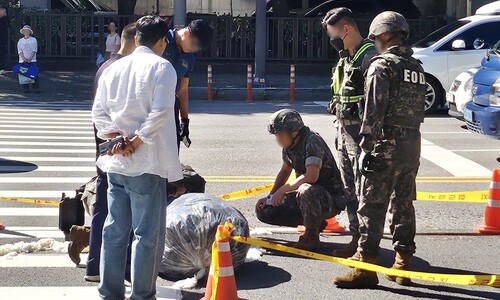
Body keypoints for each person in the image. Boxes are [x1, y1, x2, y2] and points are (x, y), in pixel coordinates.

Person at [92, 15, 182, 299]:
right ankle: (142, 295)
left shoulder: (114, 68)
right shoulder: (163, 67)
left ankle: (110, 292)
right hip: (148, 162)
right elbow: (162, 112)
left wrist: (117, 140)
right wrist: (137, 140)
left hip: (117, 161)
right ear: (161, 41)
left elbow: (98, 113)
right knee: (146, 236)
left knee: (114, 231)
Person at [333, 11, 426, 288]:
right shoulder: (417, 68)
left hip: (385, 145)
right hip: (412, 144)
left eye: (375, 38)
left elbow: (373, 112)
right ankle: (402, 263)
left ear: (385, 35)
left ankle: (366, 266)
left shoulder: (381, 66)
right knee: (403, 204)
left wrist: (366, 147)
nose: (374, 42)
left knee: (371, 206)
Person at [67, 22, 137, 283]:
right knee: (119, 211)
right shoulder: (120, 68)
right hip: (116, 148)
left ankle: (95, 265)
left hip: (105, 146)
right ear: (136, 41)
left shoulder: (105, 66)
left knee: (103, 207)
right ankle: (113, 269)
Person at [322, 7, 378, 257]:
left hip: (361, 134)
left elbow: (377, 102)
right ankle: (356, 238)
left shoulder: (369, 57)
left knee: (364, 188)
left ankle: (366, 244)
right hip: (344, 132)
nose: (330, 40)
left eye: (332, 33)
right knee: (349, 188)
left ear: (345, 29)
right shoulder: (346, 58)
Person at [255, 109, 346, 251]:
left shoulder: (312, 141)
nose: (277, 138)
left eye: (280, 134)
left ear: (294, 131)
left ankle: (311, 236)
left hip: (329, 199)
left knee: (306, 189)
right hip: (308, 199)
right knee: (265, 211)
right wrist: (271, 196)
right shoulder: (289, 146)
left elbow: (311, 176)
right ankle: (316, 223)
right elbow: (285, 171)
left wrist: (284, 189)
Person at [162, 19, 213, 150]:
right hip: (148, 104)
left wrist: (184, 121)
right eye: (194, 45)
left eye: (198, 49)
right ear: (186, 34)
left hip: (170, 106)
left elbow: (183, 89)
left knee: (172, 151)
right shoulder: (162, 39)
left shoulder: (189, 58)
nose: (194, 50)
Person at [17, 25, 39, 93]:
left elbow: (34, 49)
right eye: (25, 31)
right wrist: (24, 58)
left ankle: (36, 88)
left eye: (27, 31)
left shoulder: (33, 40)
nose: (26, 32)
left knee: (34, 74)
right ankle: (26, 88)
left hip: (32, 60)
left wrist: (30, 58)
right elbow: (19, 51)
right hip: (22, 60)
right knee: (23, 74)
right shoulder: (20, 41)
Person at [0, 7, 9, 75]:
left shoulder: (5, 19)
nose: (5, 13)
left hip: (2, 39)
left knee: (2, 53)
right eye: (3, 11)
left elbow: (7, 26)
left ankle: (1, 68)